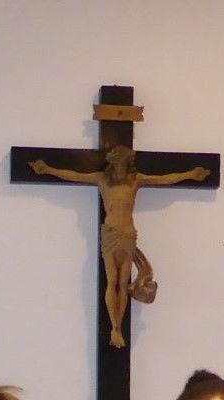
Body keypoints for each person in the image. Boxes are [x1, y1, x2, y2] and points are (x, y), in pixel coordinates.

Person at [28, 145, 212, 347]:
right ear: (113, 162)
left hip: (127, 234)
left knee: (123, 283)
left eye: (124, 163)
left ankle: (118, 328)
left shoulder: (136, 180)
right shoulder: (102, 180)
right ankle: (114, 327)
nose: (120, 166)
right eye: (118, 162)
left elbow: (163, 178)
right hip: (111, 234)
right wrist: (48, 169)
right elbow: (74, 175)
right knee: (112, 280)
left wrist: (190, 174)